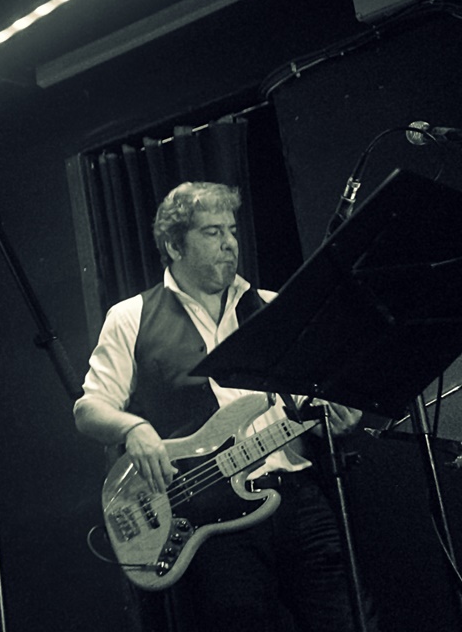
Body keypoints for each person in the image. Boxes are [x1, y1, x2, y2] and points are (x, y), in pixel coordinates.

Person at [73, 182, 375, 632]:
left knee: (347, 620)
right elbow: (89, 409)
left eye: (231, 230)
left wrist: (333, 418)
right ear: (174, 245)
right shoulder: (130, 317)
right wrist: (133, 429)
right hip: (212, 517)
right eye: (212, 232)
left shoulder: (272, 307)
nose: (230, 242)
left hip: (297, 496)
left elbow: (311, 402)